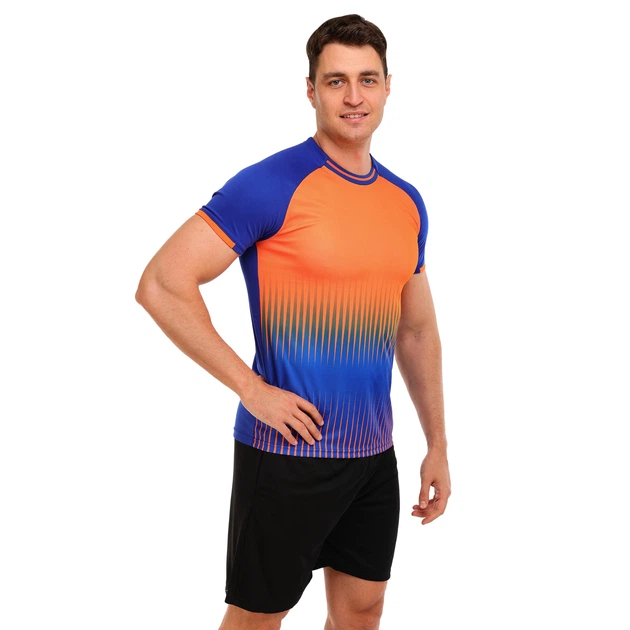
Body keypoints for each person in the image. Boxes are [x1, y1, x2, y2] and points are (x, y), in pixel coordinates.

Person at [136, 13, 450, 630]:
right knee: (257, 619)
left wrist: (437, 443)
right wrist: (252, 390)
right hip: (286, 452)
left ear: (389, 86)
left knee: (362, 610)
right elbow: (162, 284)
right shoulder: (270, 185)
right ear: (311, 90)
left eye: (367, 79)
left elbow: (414, 330)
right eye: (336, 81)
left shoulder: (405, 200)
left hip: (372, 454)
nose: (353, 96)